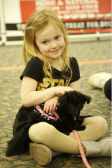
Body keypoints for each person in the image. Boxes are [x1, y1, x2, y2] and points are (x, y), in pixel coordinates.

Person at [6, 9, 111, 166]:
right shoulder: (35, 64)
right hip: (35, 120)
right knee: (41, 131)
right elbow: (26, 99)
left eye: (57, 38)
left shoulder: (72, 63)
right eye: (45, 42)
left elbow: (76, 97)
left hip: (63, 119)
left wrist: (58, 98)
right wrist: (53, 91)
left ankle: (55, 149)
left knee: (101, 123)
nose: (54, 45)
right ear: (35, 44)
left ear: (64, 34)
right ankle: (97, 148)